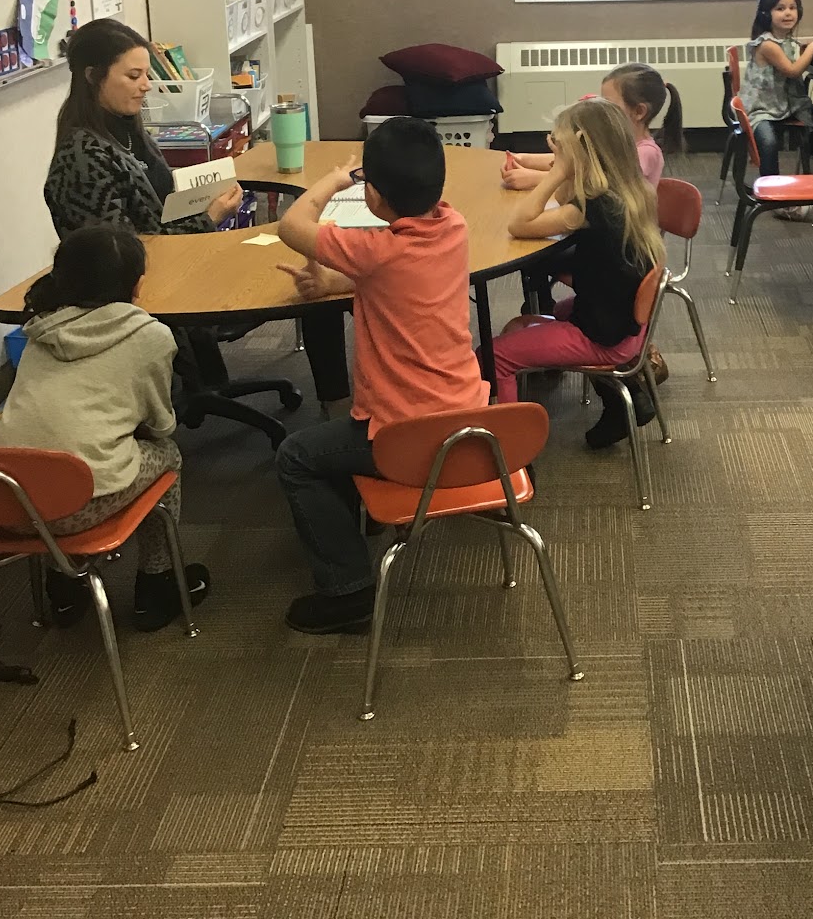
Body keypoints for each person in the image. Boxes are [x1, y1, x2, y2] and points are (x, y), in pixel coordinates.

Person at [43, 19, 349, 405]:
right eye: (133, 76)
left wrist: (201, 199)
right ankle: (336, 409)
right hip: (150, 288)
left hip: (181, 262)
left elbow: (158, 207)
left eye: (146, 74)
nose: (146, 85)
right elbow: (121, 255)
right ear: (92, 76)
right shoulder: (83, 157)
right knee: (308, 285)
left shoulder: (126, 131)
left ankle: (333, 405)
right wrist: (208, 218)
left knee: (310, 267)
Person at [273, 117, 488, 633]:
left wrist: (335, 179)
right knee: (333, 444)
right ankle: (357, 521)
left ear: (373, 193)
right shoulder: (454, 226)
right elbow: (399, 285)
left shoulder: (376, 250)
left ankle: (347, 591)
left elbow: (291, 225)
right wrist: (333, 284)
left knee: (296, 456)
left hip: (407, 437)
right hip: (468, 417)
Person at [0, 225, 209, 631]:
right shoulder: (150, 335)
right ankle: (157, 584)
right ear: (138, 284)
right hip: (77, 505)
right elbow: (160, 424)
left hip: (3, 499)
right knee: (168, 456)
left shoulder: (42, 327)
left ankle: (63, 588)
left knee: (58, 453)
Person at [489, 99, 664, 449]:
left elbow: (519, 224)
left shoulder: (591, 207)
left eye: (561, 146)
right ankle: (625, 398)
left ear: (580, 152)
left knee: (496, 356)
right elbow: (567, 197)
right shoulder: (628, 190)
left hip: (602, 336)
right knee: (558, 311)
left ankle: (510, 448)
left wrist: (557, 172)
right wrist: (567, 167)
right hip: (624, 322)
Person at [503, 63, 683, 193]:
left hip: (624, 233)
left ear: (639, 112)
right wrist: (523, 159)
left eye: (609, 104)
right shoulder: (613, 141)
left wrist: (535, 178)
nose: (601, 110)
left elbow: (599, 185)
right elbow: (573, 162)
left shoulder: (647, 153)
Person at [738, 0, 813, 178]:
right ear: (766, 14)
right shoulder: (767, 44)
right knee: (769, 142)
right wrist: (812, 48)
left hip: (783, 104)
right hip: (762, 108)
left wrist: (806, 48)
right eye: (780, 9)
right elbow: (793, 71)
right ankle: (771, 186)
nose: (788, 13)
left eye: (792, 7)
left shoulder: (786, 40)